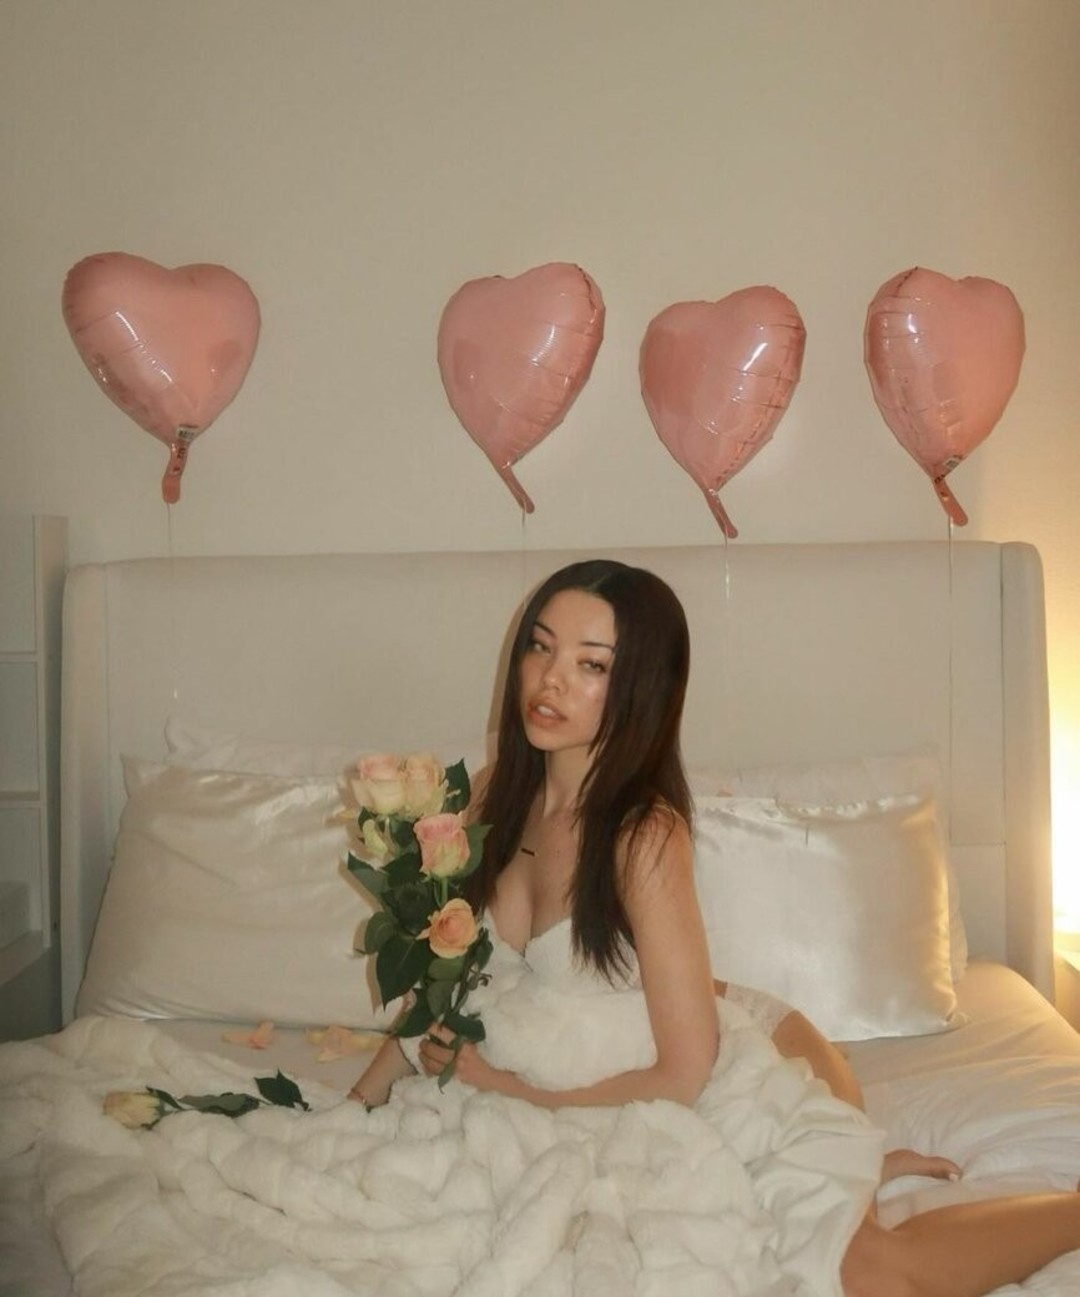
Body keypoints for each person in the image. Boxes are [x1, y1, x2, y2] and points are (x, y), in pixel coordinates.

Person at [350, 558, 1080, 1297]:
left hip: (726, 1074)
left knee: (860, 1273)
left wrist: (509, 1089)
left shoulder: (642, 835)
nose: (551, 679)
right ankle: (860, 1176)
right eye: (540, 646)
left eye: (591, 663)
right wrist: (350, 1114)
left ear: (640, 686)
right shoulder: (489, 798)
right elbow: (444, 979)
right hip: (572, 1082)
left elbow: (683, 1072)